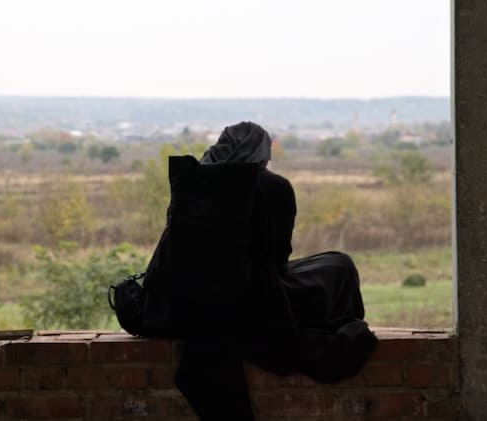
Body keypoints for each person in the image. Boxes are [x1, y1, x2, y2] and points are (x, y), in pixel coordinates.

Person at [157, 122, 377, 420]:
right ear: (262, 151)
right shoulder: (275, 187)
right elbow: (278, 257)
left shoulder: (195, 183)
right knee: (339, 266)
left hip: (192, 298)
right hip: (257, 299)